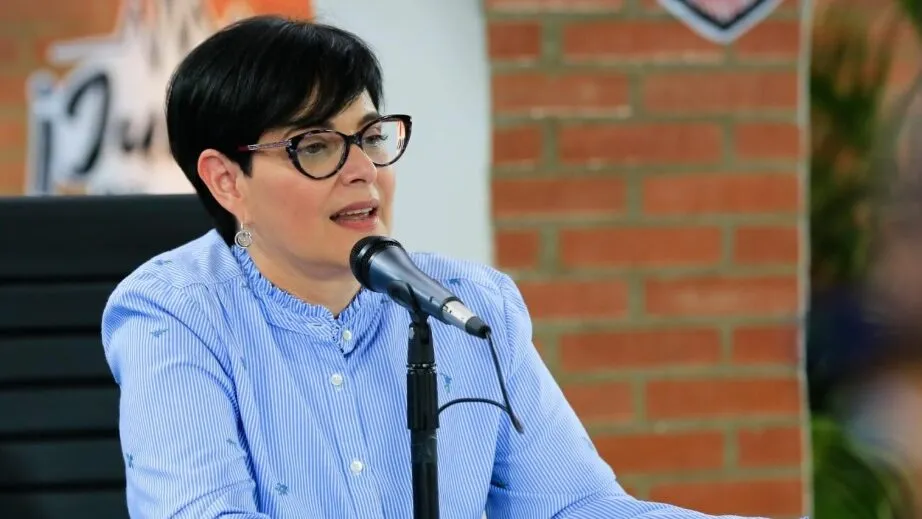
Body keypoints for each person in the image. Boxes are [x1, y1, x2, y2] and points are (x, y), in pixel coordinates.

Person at [101, 15, 778, 519]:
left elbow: (573, 506)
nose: (363, 170)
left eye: (370, 137)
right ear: (227, 181)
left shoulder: (465, 301)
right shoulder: (176, 310)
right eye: (317, 145)